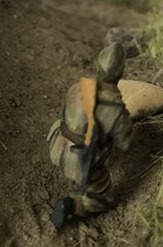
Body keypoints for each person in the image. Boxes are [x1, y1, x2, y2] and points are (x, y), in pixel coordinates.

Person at [47, 42, 133, 230]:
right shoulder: (117, 110)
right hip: (80, 161)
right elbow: (125, 144)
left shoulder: (77, 88)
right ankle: (72, 205)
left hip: (57, 147)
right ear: (120, 73)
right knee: (103, 198)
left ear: (98, 66)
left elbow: (62, 116)